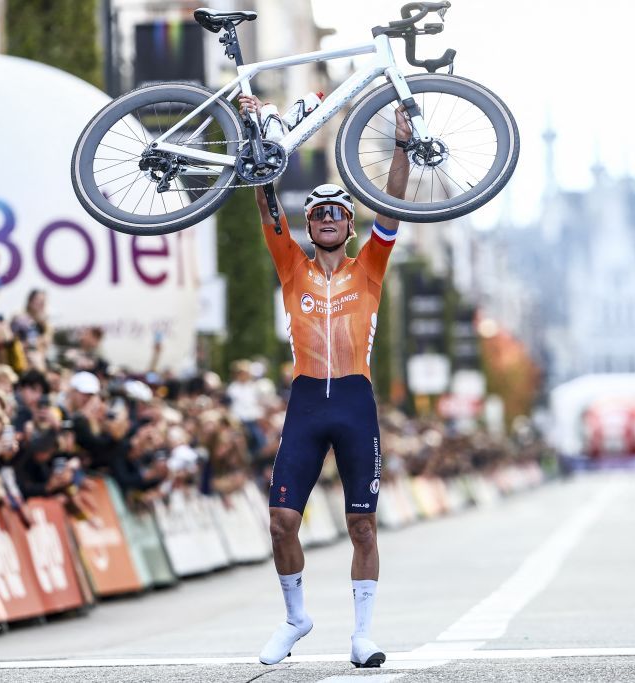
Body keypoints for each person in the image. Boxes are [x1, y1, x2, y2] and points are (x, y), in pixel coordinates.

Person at [238, 93, 410, 668]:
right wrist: (250, 127)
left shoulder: (370, 267)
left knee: (362, 523)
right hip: (308, 400)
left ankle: (363, 636)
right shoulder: (292, 265)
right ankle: (296, 618)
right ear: (310, 224)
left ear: (350, 224)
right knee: (282, 520)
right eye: (319, 214)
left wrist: (403, 143)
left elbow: (393, 200)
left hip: (356, 401)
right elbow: (266, 208)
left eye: (338, 212)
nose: (330, 218)